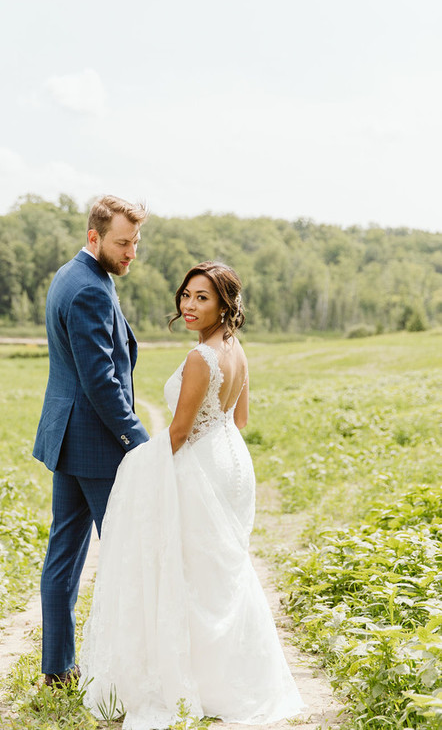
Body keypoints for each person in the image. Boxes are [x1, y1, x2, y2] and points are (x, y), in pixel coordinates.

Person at [81, 261, 304, 729]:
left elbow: (179, 432)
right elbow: (239, 419)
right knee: (219, 573)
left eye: (202, 297)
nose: (189, 305)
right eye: (186, 295)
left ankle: (194, 682)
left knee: (191, 573)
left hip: (202, 464)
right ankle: (224, 679)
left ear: (225, 304)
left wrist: (137, 463)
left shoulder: (202, 358)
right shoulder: (236, 350)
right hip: (234, 464)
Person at [33, 195, 150, 687]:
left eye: (136, 243)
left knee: (63, 555)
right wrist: (139, 441)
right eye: (122, 243)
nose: (130, 253)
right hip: (97, 445)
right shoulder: (89, 290)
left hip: (69, 439)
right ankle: (122, 671)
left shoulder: (71, 275)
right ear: (94, 237)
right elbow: (100, 380)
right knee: (127, 557)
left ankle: (59, 669)